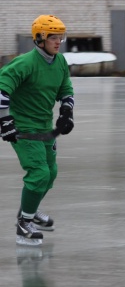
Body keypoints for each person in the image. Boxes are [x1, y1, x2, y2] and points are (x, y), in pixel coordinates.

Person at [0, 15, 74, 245]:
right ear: (40, 38)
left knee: (50, 173)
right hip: (23, 128)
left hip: (45, 127)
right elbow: (2, 90)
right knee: (39, 173)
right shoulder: (25, 63)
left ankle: (29, 212)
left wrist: (66, 112)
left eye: (60, 37)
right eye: (53, 37)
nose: (58, 41)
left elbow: (66, 89)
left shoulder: (59, 61)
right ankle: (24, 225)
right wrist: (4, 122)